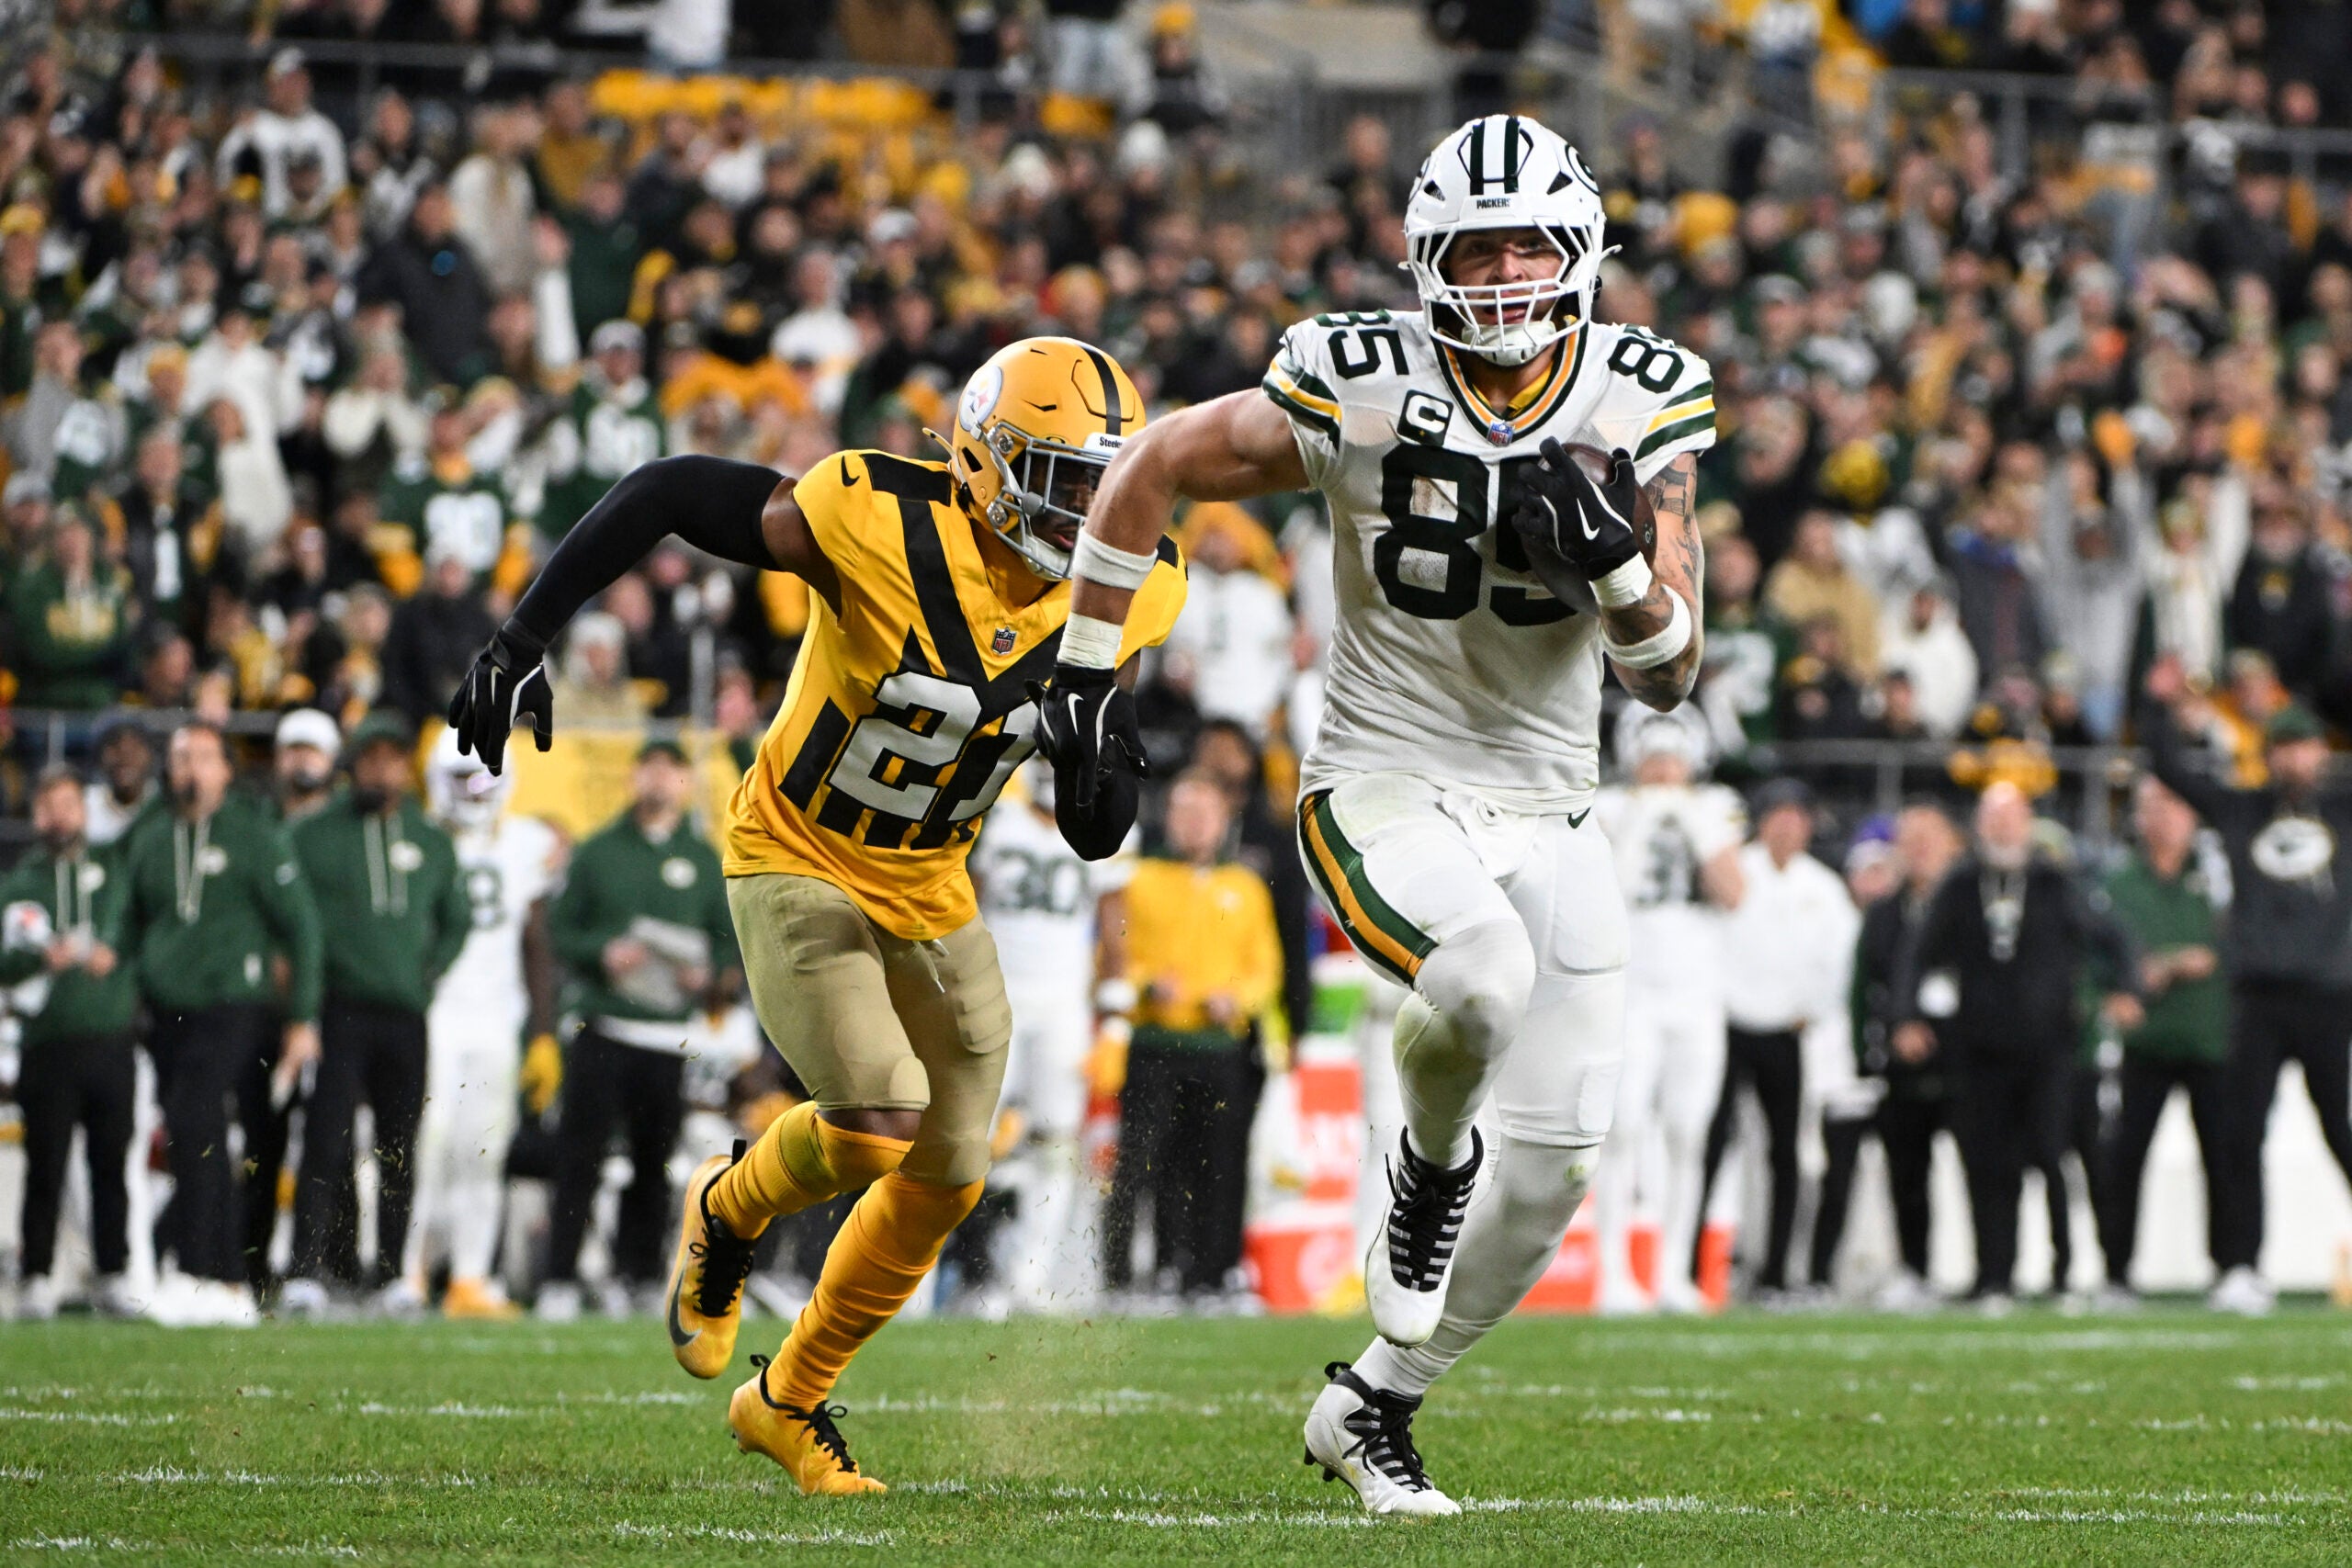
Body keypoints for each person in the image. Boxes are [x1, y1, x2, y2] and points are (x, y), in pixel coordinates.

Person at [1043, 115, 1713, 1513]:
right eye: (1480, 246)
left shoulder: (1640, 399)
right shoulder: (1354, 378)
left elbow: (1670, 675)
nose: (1511, 271)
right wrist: (1089, 676)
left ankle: (1374, 1403)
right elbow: (1151, 463)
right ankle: (1425, 1162)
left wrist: (1622, 575)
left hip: (1553, 803)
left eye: (1533, 241)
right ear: (1427, 256)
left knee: (1565, 1156)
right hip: (1385, 781)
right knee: (1479, 982)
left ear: (1583, 251)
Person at [447, 335, 1186, 1494]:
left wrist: (1103, 757)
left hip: (931, 880)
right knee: (880, 1114)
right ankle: (729, 1211)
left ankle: (787, 1400)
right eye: (1064, 475)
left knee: (949, 1170)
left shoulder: (1133, 583)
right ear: (989, 461)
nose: (1089, 505)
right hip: (795, 850)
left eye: (1103, 478)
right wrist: (521, 638)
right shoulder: (874, 515)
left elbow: (1099, 829)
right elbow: (669, 490)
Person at [2143, 662, 2352, 1315]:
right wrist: (2162, 705)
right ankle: (2239, 1265)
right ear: (2268, 754)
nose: (2295, 756)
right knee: (2239, 1133)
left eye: (2305, 744)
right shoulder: (2241, 807)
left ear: (2322, 750)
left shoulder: (2346, 811)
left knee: (2341, 1129)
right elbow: (2168, 767)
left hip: (2327, 994)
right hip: (2257, 996)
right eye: (2284, 746)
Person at [1894, 783, 2141, 1309]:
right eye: (1993, 818)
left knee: (2052, 1158)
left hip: (2049, 1048)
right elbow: (1918, 953)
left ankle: (2063, 1274)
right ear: (1979, 825)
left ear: (2027, 823)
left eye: (2012, 817)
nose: (2003, 829)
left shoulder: (2055, 881)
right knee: (1987, 1165)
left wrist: (2126, 989)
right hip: (1980, 1049)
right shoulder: (1961, 885)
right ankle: (1994, 1276)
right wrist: (1907, 1016)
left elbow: (2113, 935)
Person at [119, 722, 322, 1325]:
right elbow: (128, 926)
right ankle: (210, 1274)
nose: (190, 768)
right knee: (191, 1131)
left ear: (227, 770)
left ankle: (220, 1274)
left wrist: (303, 1016)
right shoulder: (151, 837)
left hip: (235, 1005)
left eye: (203, 756)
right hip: (165, 1013)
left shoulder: (254, 833)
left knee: (196, 1117)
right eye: (181, 756)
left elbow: (302, 927)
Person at [538, 739, 738, 1322]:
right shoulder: (598, 851)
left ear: (684, 781)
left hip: (667, 1035)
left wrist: (710, 975)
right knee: (582, 1158)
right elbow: (560, 932)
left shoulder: (702, 859)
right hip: (603, 1025)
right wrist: (605, 952)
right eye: (648, 769)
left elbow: (729, 947)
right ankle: (559, 1277)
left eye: (670, 770)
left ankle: (640, 1274)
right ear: (633, 778)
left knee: (655, 1164)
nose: (658, 780)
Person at [283, 712, 471, 1311]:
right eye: (369, 759)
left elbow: (457, 917)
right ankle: (309, 1267)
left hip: (404, 1011)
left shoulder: (432, 840)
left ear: (405, 767)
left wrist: (429, 968)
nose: (379, 769)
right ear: (353, 765)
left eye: (391, 758)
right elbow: (291, 916)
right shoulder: (316, 835)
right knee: (325, 1139)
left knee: (398, 1144)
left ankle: (392, 1273)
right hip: (339, 1007)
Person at [394, 728, 564, 1319]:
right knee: (426, 1142)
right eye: (460, 777)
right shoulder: (418, 837)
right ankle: (408, 1271)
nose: (472, 789)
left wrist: (543, 1032)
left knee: (483, 1149)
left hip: (497, 1013)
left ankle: (469, 1276)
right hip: (436, 1009)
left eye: (481, 776)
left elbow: (536, 942)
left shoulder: (524, 841)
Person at [1101, 772, 1283, 1302]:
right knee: (1143, 1165)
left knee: (1220, 1166)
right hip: (1155, 1039)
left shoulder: (1245, 886)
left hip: (1220, 1046)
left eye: (1205, 813)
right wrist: (1144, 985)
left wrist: (1239, 999)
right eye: (1184, 812)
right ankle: (1134, 1275)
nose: (1195, 824)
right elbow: (1111, 959)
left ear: (1224, 821)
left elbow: (1265, 968)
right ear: (1168, 817)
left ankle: (1213, 1273)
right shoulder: (1137, 879)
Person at [1589, 711, 1745, 1314]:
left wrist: (1696, 827)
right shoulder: (1609, 806)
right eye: (1652, 756)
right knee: (1622, 1127)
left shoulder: (1716, 807)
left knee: (1687, 1131)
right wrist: (1638, 825)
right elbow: (1603, 892)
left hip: (1697, 991)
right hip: (1632, 991)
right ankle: (1612, 1273)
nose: (1662, 769)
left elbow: (1734, 892)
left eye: (1672, 756)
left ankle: (1674, 1272)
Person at [969, 759, 1132, 1314]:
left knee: (1057, 1144)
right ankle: (951, 1274)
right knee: (968, 1141)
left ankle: (1029, 1277)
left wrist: (1115, 1021)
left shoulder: (1101, 827)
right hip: (995, 999)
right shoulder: (995, 817)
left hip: (1063, 1007)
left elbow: (1115, 928)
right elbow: (960, 904)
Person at [1701, 779, 1858, 1301]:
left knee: (1786, 1154)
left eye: (1798, 816)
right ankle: (1690, 1270)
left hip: (1788, 1032)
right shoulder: (1735, 870)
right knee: (1709, 1142)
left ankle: (1774, 1273)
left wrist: (1810, 1012)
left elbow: (1840, 964)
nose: (1787, 825)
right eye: (1778, 815)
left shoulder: (1825, 888)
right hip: (1729, 1026)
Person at [0, 768, 140, 1319]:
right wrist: (39, 958)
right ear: (35, 815)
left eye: (67, 804)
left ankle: (114, 1272)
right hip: (49, 1042)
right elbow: (3, 961)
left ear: (83, 810)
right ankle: (36, 1275)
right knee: (46, 1163)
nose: (58, 816)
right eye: (48, 806)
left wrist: (115, 955)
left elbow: (136, 933)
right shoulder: (21, 881)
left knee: (112, 1162)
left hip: (110, 1037)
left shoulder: (113, 867)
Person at [2097, 774, 2233, 1307]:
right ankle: (2115, 1272)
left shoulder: (2219, 879)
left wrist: (2169, 964)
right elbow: (2096, 956)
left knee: (2225, 1158)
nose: (2165, 818)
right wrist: (2114, 994)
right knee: (2123, 1158)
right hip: (2146, 1042)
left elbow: (2242, 943)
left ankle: (2233, 1267)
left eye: (2175, 805)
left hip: (2211, 1037)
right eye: (2153, 806)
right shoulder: (2119, 883)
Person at [1826, 802, 1965, 1311]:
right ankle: (1914, 1269)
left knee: (1987, 1171)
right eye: (1911, 839)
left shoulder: (1971, 904)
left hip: (1968, 1062)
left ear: (1953, 844)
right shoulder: (1886, 912)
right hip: (1902, 1065)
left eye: (1931, 838)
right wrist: (1870, 1051)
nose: (1921, 849)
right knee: (1907, 1173)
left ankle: (1993, 1272)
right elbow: (1864, 986)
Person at [273, 706, 341, 823]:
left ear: (331, 758)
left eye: (313, 750)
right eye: (295, 749)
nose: (303, 758)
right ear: (278, 756)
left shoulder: (343, 822)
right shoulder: (258, 819)